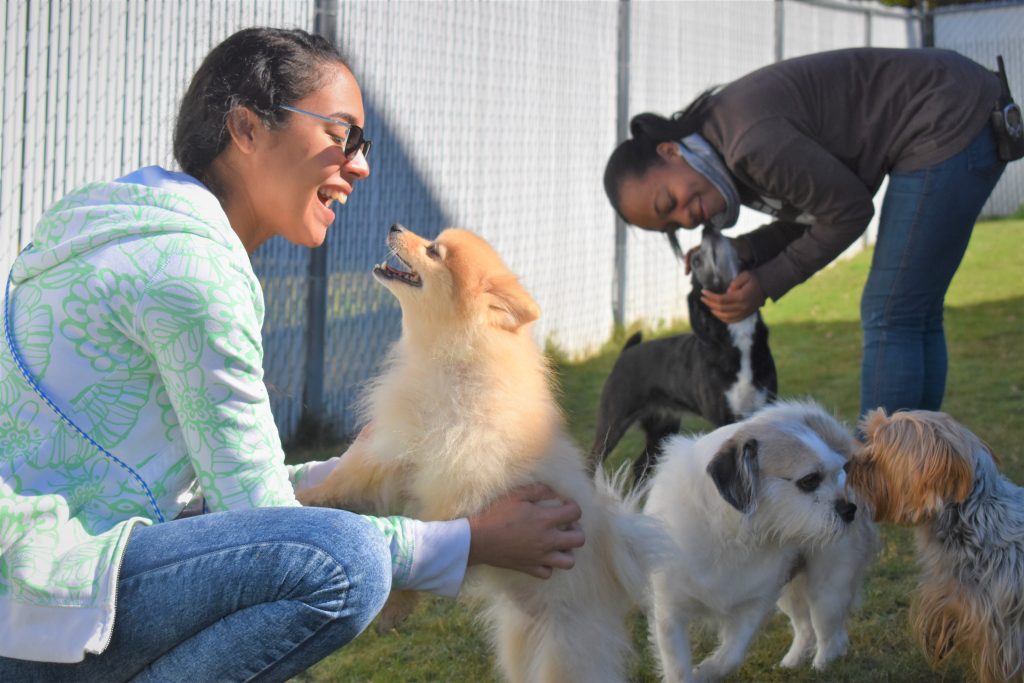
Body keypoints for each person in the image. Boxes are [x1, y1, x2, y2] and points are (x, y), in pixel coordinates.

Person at [0, 27, 584, 682]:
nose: (361, 165)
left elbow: (212, 493)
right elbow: (264, 525)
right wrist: (468, 541)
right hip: (41, 602)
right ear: (247, 129)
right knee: (344, 562)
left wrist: (344, 471)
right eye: (343, 135)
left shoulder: (117, 223)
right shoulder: (193, 271)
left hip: (40, 579)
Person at [603, 47, 1011, 417]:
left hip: (946, 114)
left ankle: (882, 471)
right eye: (673, 225)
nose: (687, 218)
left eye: (669, 202)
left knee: (890, 313)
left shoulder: (747, 144)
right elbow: (821, 209)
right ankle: (918, 463)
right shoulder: (723, 148)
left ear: (670, 151)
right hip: (961, 102)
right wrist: (748, 249)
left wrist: (766, 281)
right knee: (913, 314)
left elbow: (848, 211)